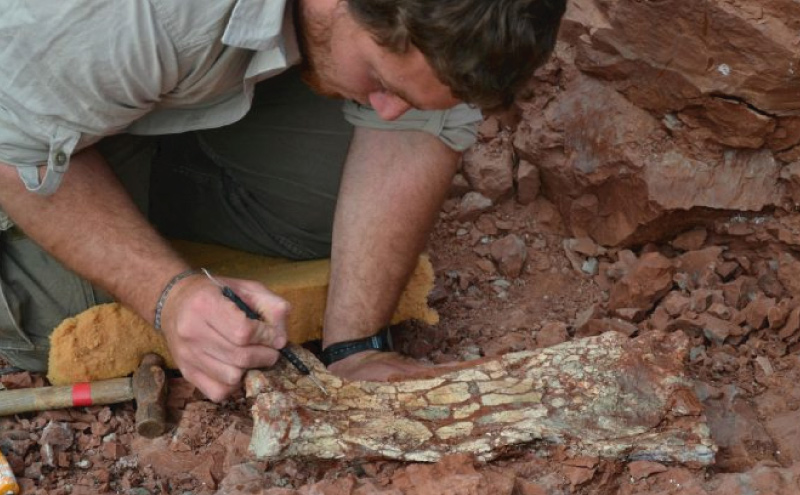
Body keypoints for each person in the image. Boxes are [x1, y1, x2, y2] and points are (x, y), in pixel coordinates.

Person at [0, 0, 567, 401]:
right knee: (62, 317)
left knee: (341, 226)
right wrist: (167, 294)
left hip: (127, 82)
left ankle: (119, 160)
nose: (388, 109)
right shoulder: (149, 12)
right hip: (19, 101)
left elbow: (426, 110)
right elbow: (8, 147)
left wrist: (357, 349)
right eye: (381, 81)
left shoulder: (442, 22)